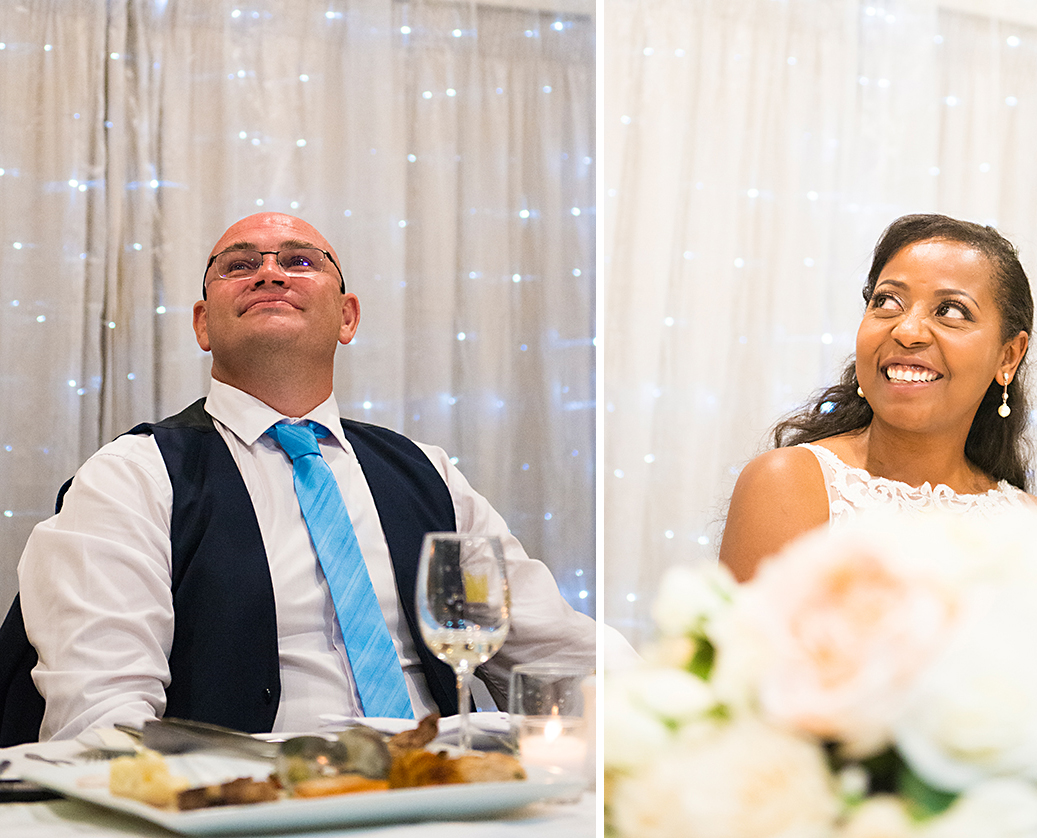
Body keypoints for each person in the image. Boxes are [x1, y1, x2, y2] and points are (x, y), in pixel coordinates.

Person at [8, 212, 596, 742]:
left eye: (300, 261)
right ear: (202, 325)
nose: (269, 273)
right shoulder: (131, 477)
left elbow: (560, 657)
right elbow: (103, 717)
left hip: (444, 788)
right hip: (244, 803)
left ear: (347, 316)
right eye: (239, 265)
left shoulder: (430, 474)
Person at [719, 213, 1037, 582]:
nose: (907, 331)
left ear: (1008, 356)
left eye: (950, 311)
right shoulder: (787, 484)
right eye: (888, 302)